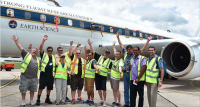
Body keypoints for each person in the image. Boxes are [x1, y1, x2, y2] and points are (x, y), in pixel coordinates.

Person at [116, 32, 153, 107]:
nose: (129, 50)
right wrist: (118, 38)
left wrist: (148, 41)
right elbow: (121, 45)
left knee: (135, 92)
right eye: (128, 49)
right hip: (126, 74)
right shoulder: (126, 54)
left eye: (130, 49)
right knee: (126, 90)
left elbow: (143, 48)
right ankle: (127, 103)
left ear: (133, 50)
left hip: (132, 75)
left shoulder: (135, 55)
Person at [12, 35, 40, 106]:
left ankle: (31, 101)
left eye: (36, 51)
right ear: (31, 51)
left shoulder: (37, 59)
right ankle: (23, 101)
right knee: (23, 90)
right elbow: (20, 48)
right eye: (33, 50)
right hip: (25, 77)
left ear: (37, 53)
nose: (34, 51)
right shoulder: (26, 55)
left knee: (32, 90)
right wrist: (16, 42)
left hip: (34, 77)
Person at [88, 39, 112, 107]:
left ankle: (104, 101)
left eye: (107, 53)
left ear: (109, 55)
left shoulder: (109, 61)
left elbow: (112, 68)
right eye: (105, 53)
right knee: (98, 89)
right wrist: (90, 45)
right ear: (104, 53)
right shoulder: (99, 57)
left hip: (104, 76)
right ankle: (101, 100)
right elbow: (93, 51)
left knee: (104, 89)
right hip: (97, 75)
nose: (106, 54)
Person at [36, 35, 56, 106]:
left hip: (51, 75)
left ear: (52, 51)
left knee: (49, 88)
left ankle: (47, 98)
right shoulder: (44, 55)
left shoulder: (53, 57)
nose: (50, 51)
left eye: (51, 50)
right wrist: (43, 41)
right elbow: (40, 48)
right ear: (47, 51)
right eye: (49, 50)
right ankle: (38, 99)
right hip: (44, 75)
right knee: (41, 87)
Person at [110, 41, 124, 107]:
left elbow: (120, 67)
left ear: (120, 55)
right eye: (116, 54)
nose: (116, 55)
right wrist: (113, 46)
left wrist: (121, 73)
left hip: (116, 77)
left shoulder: (120, 61)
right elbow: (114, 51)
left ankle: (119, 102)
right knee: (113, 90)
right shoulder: (116, 59)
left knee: (117, 90)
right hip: (112, 77)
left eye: (118, 54)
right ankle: (115, 101)